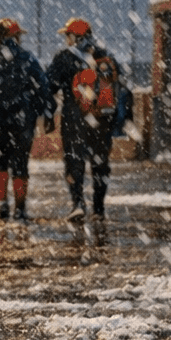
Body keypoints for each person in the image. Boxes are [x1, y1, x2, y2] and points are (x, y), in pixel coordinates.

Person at [0, 18, 51, 221]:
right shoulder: (27, 58)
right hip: (22, 121)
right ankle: (20, 209)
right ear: (15, 36)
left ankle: (2, 204)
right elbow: (42, 87)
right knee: (21, 165)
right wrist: (39, 112)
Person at [47, 17, 124, 222]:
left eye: (68, 36)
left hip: (74, 118)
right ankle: (98, 208)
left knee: (74, 161)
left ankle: (78, 204)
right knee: (100, 163)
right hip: (101, 118)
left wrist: (48, 111)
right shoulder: (105, 56)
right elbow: (119, 84)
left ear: (75, 37)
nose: (66, 40)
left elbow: (49, 86)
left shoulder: (64, 57)